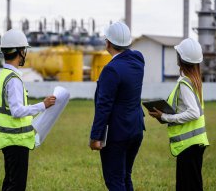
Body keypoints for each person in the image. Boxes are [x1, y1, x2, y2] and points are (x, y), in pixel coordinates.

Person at [0, 28, 56, 191]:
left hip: (9, 139)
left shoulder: (4, 75)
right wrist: (43, 105)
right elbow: (17, 111)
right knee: (17, 185)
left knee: (10, 181)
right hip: (16, 140)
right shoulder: (13, 79)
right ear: (20, 51)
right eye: (24, 50)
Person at [89, 22, 145, 191]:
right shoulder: (138, 60)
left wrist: (95, 136)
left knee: (114, 181)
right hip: (136, 129)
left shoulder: (111, 70)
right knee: (125, 176)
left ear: (108, 43)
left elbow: (103, 106)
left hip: (117, 133)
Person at [149, 37, 209, 191]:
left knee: (186, 186)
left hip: (188, 145)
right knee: (194, 185)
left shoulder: (184, 83)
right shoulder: (195, 81)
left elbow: (194, 113)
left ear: (180, 59)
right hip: (196, 143)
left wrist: (164, 117)